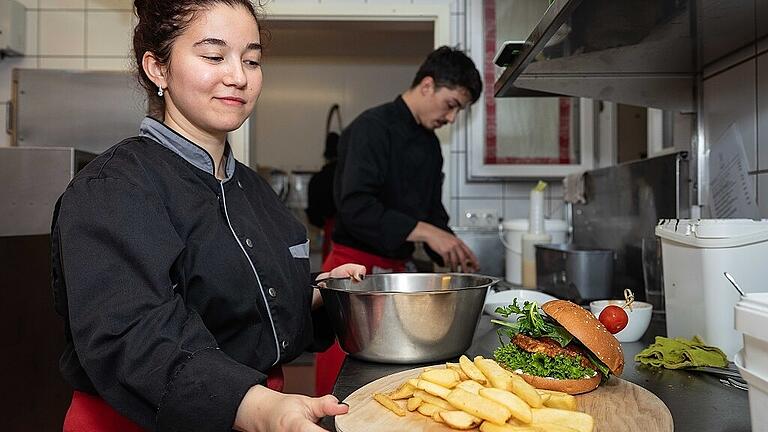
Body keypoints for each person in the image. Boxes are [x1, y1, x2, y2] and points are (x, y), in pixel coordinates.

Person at [51, 1, 364, 431]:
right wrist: (260, 408)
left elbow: (235, 305)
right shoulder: (114, 188)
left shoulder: (255, 191)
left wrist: (315, 294)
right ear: (157, 69)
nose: (238, 76)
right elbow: (132, 335)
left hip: (260, 409)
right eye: (214, 56)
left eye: (251, 60)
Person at [315, 46, 483, 396]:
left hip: (397, 278)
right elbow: (355, 206)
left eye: (460, 112)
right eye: (451, 105)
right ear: (427, 85)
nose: (451, 119)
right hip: (352, 275)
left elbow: (433, 216)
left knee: (394, 389)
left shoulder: (430, 146)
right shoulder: (370, 128)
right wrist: (426, 232)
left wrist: (452, 251)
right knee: (344, 387)